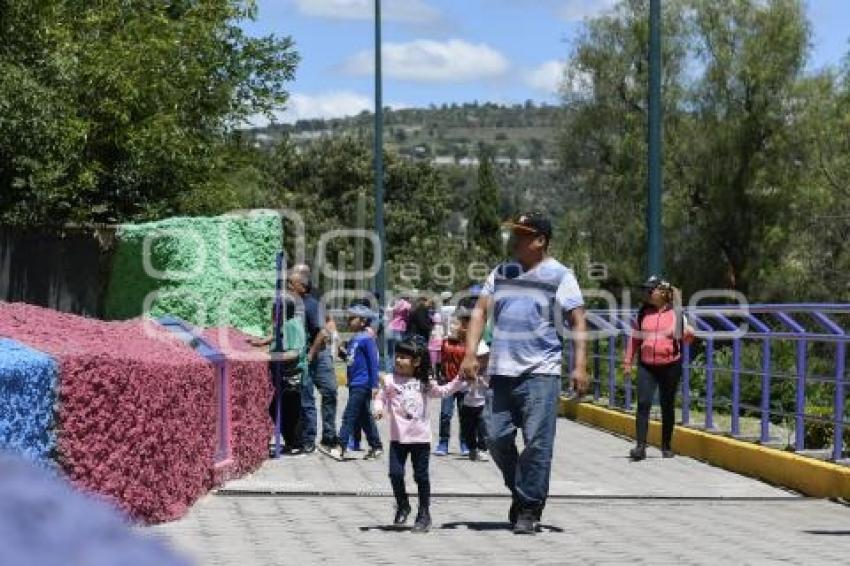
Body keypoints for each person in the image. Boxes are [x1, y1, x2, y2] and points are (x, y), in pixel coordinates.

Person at [461, 211, 588, 535]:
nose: (515, 239)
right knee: (493, 434)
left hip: (540, 374)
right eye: (514, 233)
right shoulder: (501, 272)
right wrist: (470, 353)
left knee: (537, 444)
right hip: (502, 372)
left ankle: (529, 507)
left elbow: (577, 320)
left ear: (540, 240)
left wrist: (580, 365)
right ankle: (522, 490)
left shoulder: (560, 275)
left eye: (522, 234)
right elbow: (479, 311)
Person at [372, 339, 466, 533]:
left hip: (420, 440)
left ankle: (424, 513)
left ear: (416, 362)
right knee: (395, 474)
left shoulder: (424, 382)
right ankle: (403, 504)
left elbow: (443, 391)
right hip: (398, 439)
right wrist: (378, 409)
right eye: (397, 356)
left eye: (404, 357)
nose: (398, 360)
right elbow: (380, 397)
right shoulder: (389, 380)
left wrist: (459, 379)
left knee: (421, 476)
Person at [623, 276, 696, 461]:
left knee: (667, 405)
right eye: (646, 290)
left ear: (662, 293)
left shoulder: (677, 313)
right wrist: (627, 362)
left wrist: (689, 335)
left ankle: (666, 446)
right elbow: (635, 338)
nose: (646, 294)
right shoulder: (642, 313)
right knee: (643, 403)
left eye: (650, 290)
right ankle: (640, 447)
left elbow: (687, 338)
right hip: (646, 365)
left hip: (670, 365)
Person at [323, 305, 383, 461]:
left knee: (349, 415)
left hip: (363, 383)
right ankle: (376, 446)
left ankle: (340, 447)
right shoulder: (354, 339)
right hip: (354, 383)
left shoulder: (367, 339)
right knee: (364, 417)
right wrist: (342, 352)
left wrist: (375, 385)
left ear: (363, 321)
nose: (349, 321)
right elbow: (351, 359)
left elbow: (373, 362)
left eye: (352, 318)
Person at [289, 267, 338, 454]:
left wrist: (311, 354)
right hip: (303, 357)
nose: (288, 288)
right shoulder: (292, 306)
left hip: (319, 356)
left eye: (291, 285)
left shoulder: (312, 305)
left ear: (302, 287)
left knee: (330, 393)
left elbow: (321, 332)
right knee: (306, 399)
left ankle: (329, 435)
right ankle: (308, 439)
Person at [435, 305, 471, 456]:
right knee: (445, 414)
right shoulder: (444, 342)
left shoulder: (469, 343)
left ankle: (465, 443)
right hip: (448, 383)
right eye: (454, 323)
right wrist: (438, 376)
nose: (455, 326)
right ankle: (443, 443)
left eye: (459, 323)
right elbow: (438, 361)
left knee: (464, 415)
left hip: (464, 384)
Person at [459, 340, 490, 462]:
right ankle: (472, 448)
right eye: (478, 358)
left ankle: (483, 449)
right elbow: (459, 387)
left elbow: (491, 386)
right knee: (467, 429)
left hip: (482, 403)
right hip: (468, 404)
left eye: (483, 358)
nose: (480, 361)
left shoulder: (488, 371)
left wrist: (482, 381)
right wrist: (467, 382)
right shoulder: (466, 370)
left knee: (483, 427)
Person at [386, 295, 412, 372]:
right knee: (399, 351)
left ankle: (389, 370)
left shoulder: (395, 304)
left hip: (390, 328)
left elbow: (389, 312)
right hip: (400, 329)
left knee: (390, 352)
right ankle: (397, 370)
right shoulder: (407, 305)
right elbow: (410, 314)